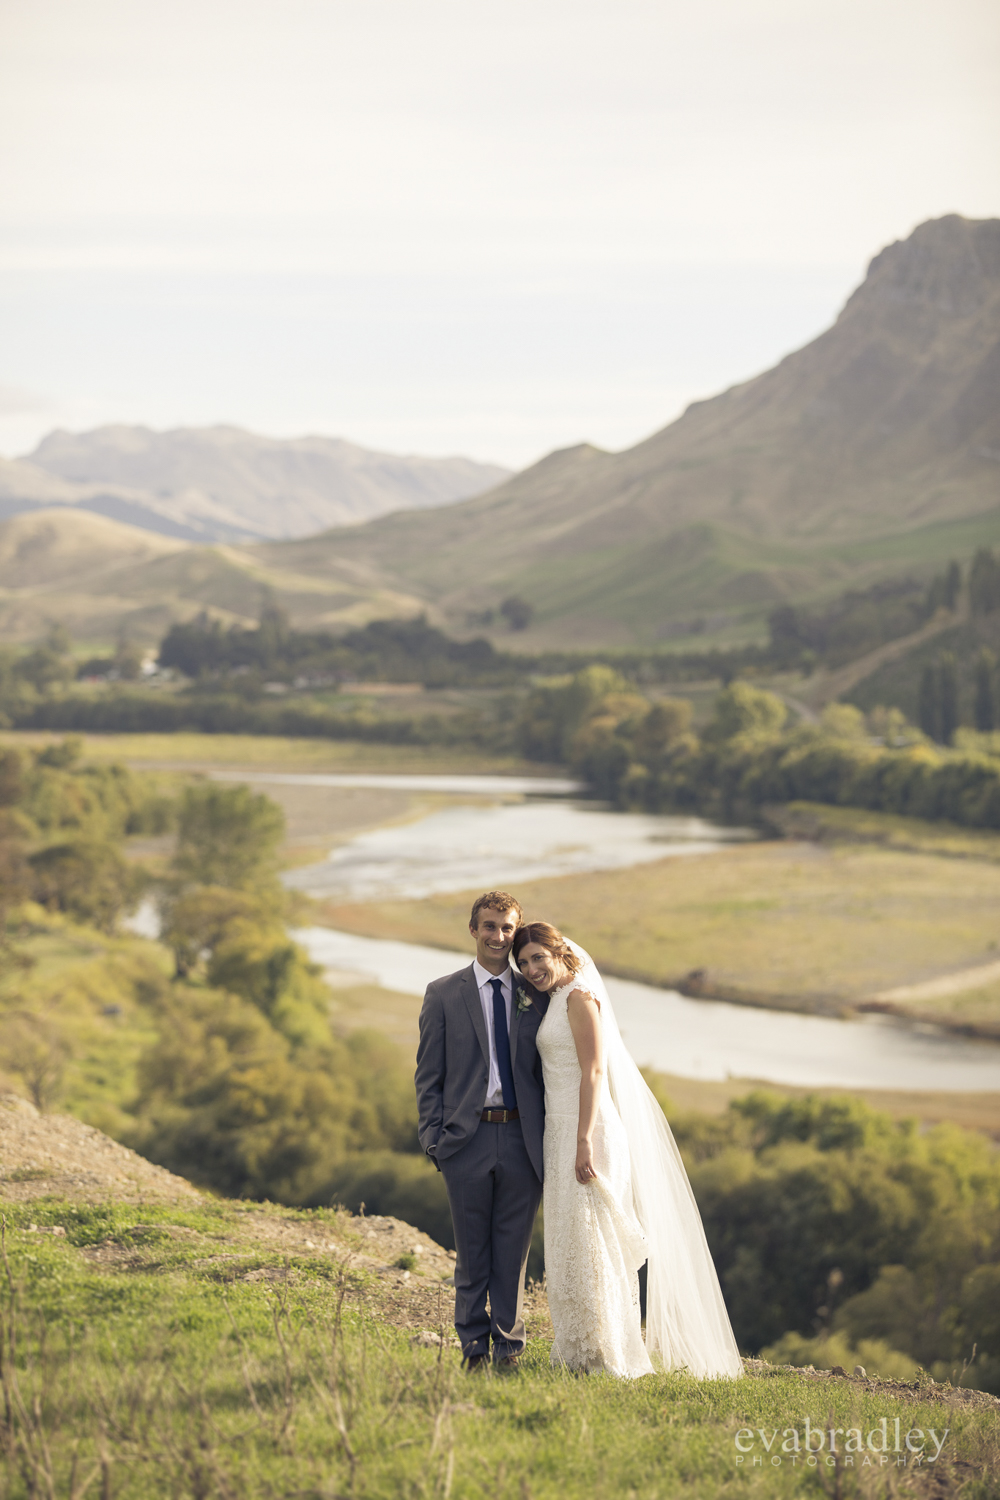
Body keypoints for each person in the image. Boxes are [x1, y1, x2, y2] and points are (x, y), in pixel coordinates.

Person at [512, 920, 743, 1380]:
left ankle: (609, 1357)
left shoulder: (579, 997)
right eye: (524, 962)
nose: (532, 968)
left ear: (560, 953)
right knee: (571, 1243)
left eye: (539, 957)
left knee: (595, 1244)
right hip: (560, 1133)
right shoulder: (556, 998)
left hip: (588, 1132)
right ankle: (579, 1352)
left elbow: (594, 1072)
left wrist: (583, 1140)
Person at [414, 891, 547, 1371]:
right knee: (472, 1255)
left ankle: (509, 1348)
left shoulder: (536, 993)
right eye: (489, 926)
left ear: (516, 931)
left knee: (512, 1255)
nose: (498, 936)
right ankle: (473, 1347)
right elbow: (428, 1076)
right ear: (473, 930)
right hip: (464, 1142)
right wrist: (434, 1140)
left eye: (507, 928)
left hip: (522, 1140)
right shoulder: (443, 993)